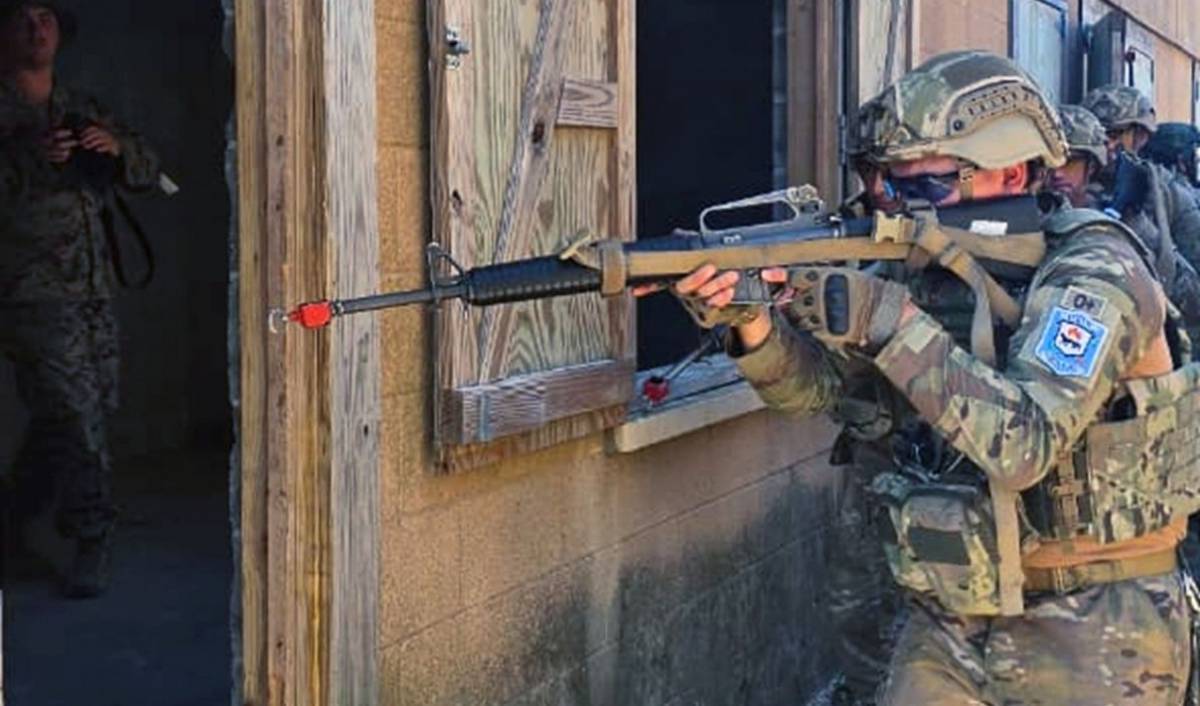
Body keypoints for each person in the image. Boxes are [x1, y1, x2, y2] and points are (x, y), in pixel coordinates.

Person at [676, 51, 1194, 704]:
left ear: (1009, 169)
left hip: (1096, 624)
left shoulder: (1098, 272)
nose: (900, 207)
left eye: (928, 188)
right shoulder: (928, 271)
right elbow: (824, 392)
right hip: (952, 615)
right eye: (891, 185)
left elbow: (1025, 444)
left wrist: (887, 321)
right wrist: (752, 326)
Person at [0, 0, 159, 597]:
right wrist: (26, 160)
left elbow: (152, 171)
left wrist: (115, 150)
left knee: (76, 411)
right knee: (73, 413)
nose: (37, 28)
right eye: (21, 17)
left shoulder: (80, 106)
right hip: (30, 297)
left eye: (46, 16)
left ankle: (11, 521)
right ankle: (90, 532)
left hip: (93, 290)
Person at [1048, 104, 1200, 357]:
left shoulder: (1135, 205)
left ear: (1092, 166)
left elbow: (1189, 293)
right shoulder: (1028, 211)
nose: (1056, 173)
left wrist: (1133, 219)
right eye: (1047, 161)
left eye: (1069, 161)